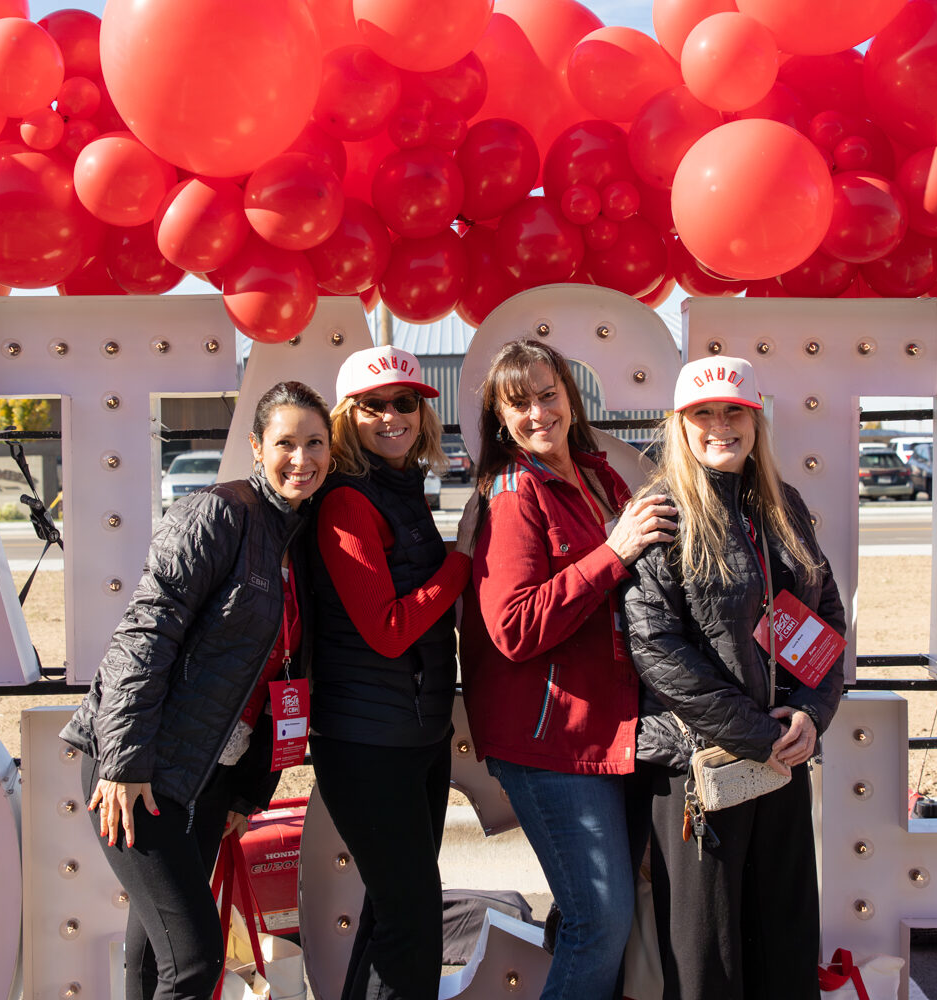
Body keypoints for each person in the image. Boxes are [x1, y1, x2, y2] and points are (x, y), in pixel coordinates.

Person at [59, 381, 331, 1000]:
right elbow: (144, 635)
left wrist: (246, 789)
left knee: (154, 956)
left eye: (315, 443)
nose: (301, 458)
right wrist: (126, 763)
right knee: (196, 959)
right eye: (285, 442)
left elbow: (274, 677)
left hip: (211, 780)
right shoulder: (220, 513)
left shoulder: (297, 534)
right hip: (143, 771)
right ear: (257, 448)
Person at [623, 357, 847, 1000]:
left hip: (781, 758)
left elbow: (826, 617)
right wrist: (758, 732)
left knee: (785, 940)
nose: (720, 425)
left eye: (734, 412)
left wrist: (811, 712)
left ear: (756, 420)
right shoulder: (660, 511)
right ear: (679, 426)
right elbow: (655, 647)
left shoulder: (784, 506)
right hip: (698, 768)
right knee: (708, 959)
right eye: (703, 414)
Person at [459, 339, 677, 1000]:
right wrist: (614, 550)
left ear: (570, 396)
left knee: (601, 914)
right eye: (518, 402)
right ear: (499, 417)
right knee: (600, 921)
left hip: (609, 732)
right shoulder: (512, 495)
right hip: (549, 742)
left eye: (548, 394)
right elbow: (515, 628)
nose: (538, 413)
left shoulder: (598, 475)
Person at [309, 345, 472, 1000]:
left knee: (393, 915)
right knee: (412, 924)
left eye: (404, 402)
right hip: (367, 745)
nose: (390, 416)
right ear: (347, 417)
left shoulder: (401, 489)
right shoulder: (347, 502)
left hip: (416, 738)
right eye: (371, 405)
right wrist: (460, 558)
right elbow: (389, 628)